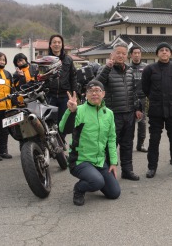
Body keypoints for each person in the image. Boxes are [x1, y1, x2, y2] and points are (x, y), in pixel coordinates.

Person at [60, 81, 121, 206]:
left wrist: (113, 162)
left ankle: (93, 179)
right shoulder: (79, 110)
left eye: (97, 90)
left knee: (114, 193)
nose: (94, 93)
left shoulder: (109, 113)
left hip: (99, 161)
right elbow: (63, 128)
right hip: (81, 160)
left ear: (103, 94)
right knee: (97, 182)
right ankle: (79, 189)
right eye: (90, 91)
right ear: (86, 94)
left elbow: (111, 139)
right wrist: (70, 111)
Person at [96, 43, 143, 181]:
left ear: (127, 56)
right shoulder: (105, 69)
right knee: (111, 144)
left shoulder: (129, 71)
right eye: (118, 53)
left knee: (127, 143)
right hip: (112, 114)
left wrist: (137, 108)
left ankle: (127, 171)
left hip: (129, 113)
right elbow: (96, 85)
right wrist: (107, 68)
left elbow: (133, 92)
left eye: (123, 53)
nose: (121, 55)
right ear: (112, 54)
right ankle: (108, 173)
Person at [142, 42, 172, 178]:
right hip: (156, 110)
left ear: (170, 53)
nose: (164, 52)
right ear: (157, 53)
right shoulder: (149, 69)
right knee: (154, 139)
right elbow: (145, 88)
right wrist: (154, 98)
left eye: (167, 50)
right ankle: (151, 167)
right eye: (161, 50)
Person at [46, 34, 78, 124]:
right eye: (54, 42)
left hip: (64, 96)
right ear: (50, 45)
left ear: (62, 44)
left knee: (63, 121)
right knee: (49, 122)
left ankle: (61, 134)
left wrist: (75, 92)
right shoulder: (46, 60)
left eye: (59, 42)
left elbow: (73, 77)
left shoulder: (68, 59)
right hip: (50, 95)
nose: (57, 44)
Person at [129, 47, 148, 153]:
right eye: (134, 53)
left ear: (141, 54)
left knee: (142, 122)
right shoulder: (127, 67)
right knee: (130, 122)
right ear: (131, 55)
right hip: (129, 98)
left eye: (138, 53)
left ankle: (140, 145)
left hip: (142, 98)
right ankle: (129, 144)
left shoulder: (146, 67)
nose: (136, 55)